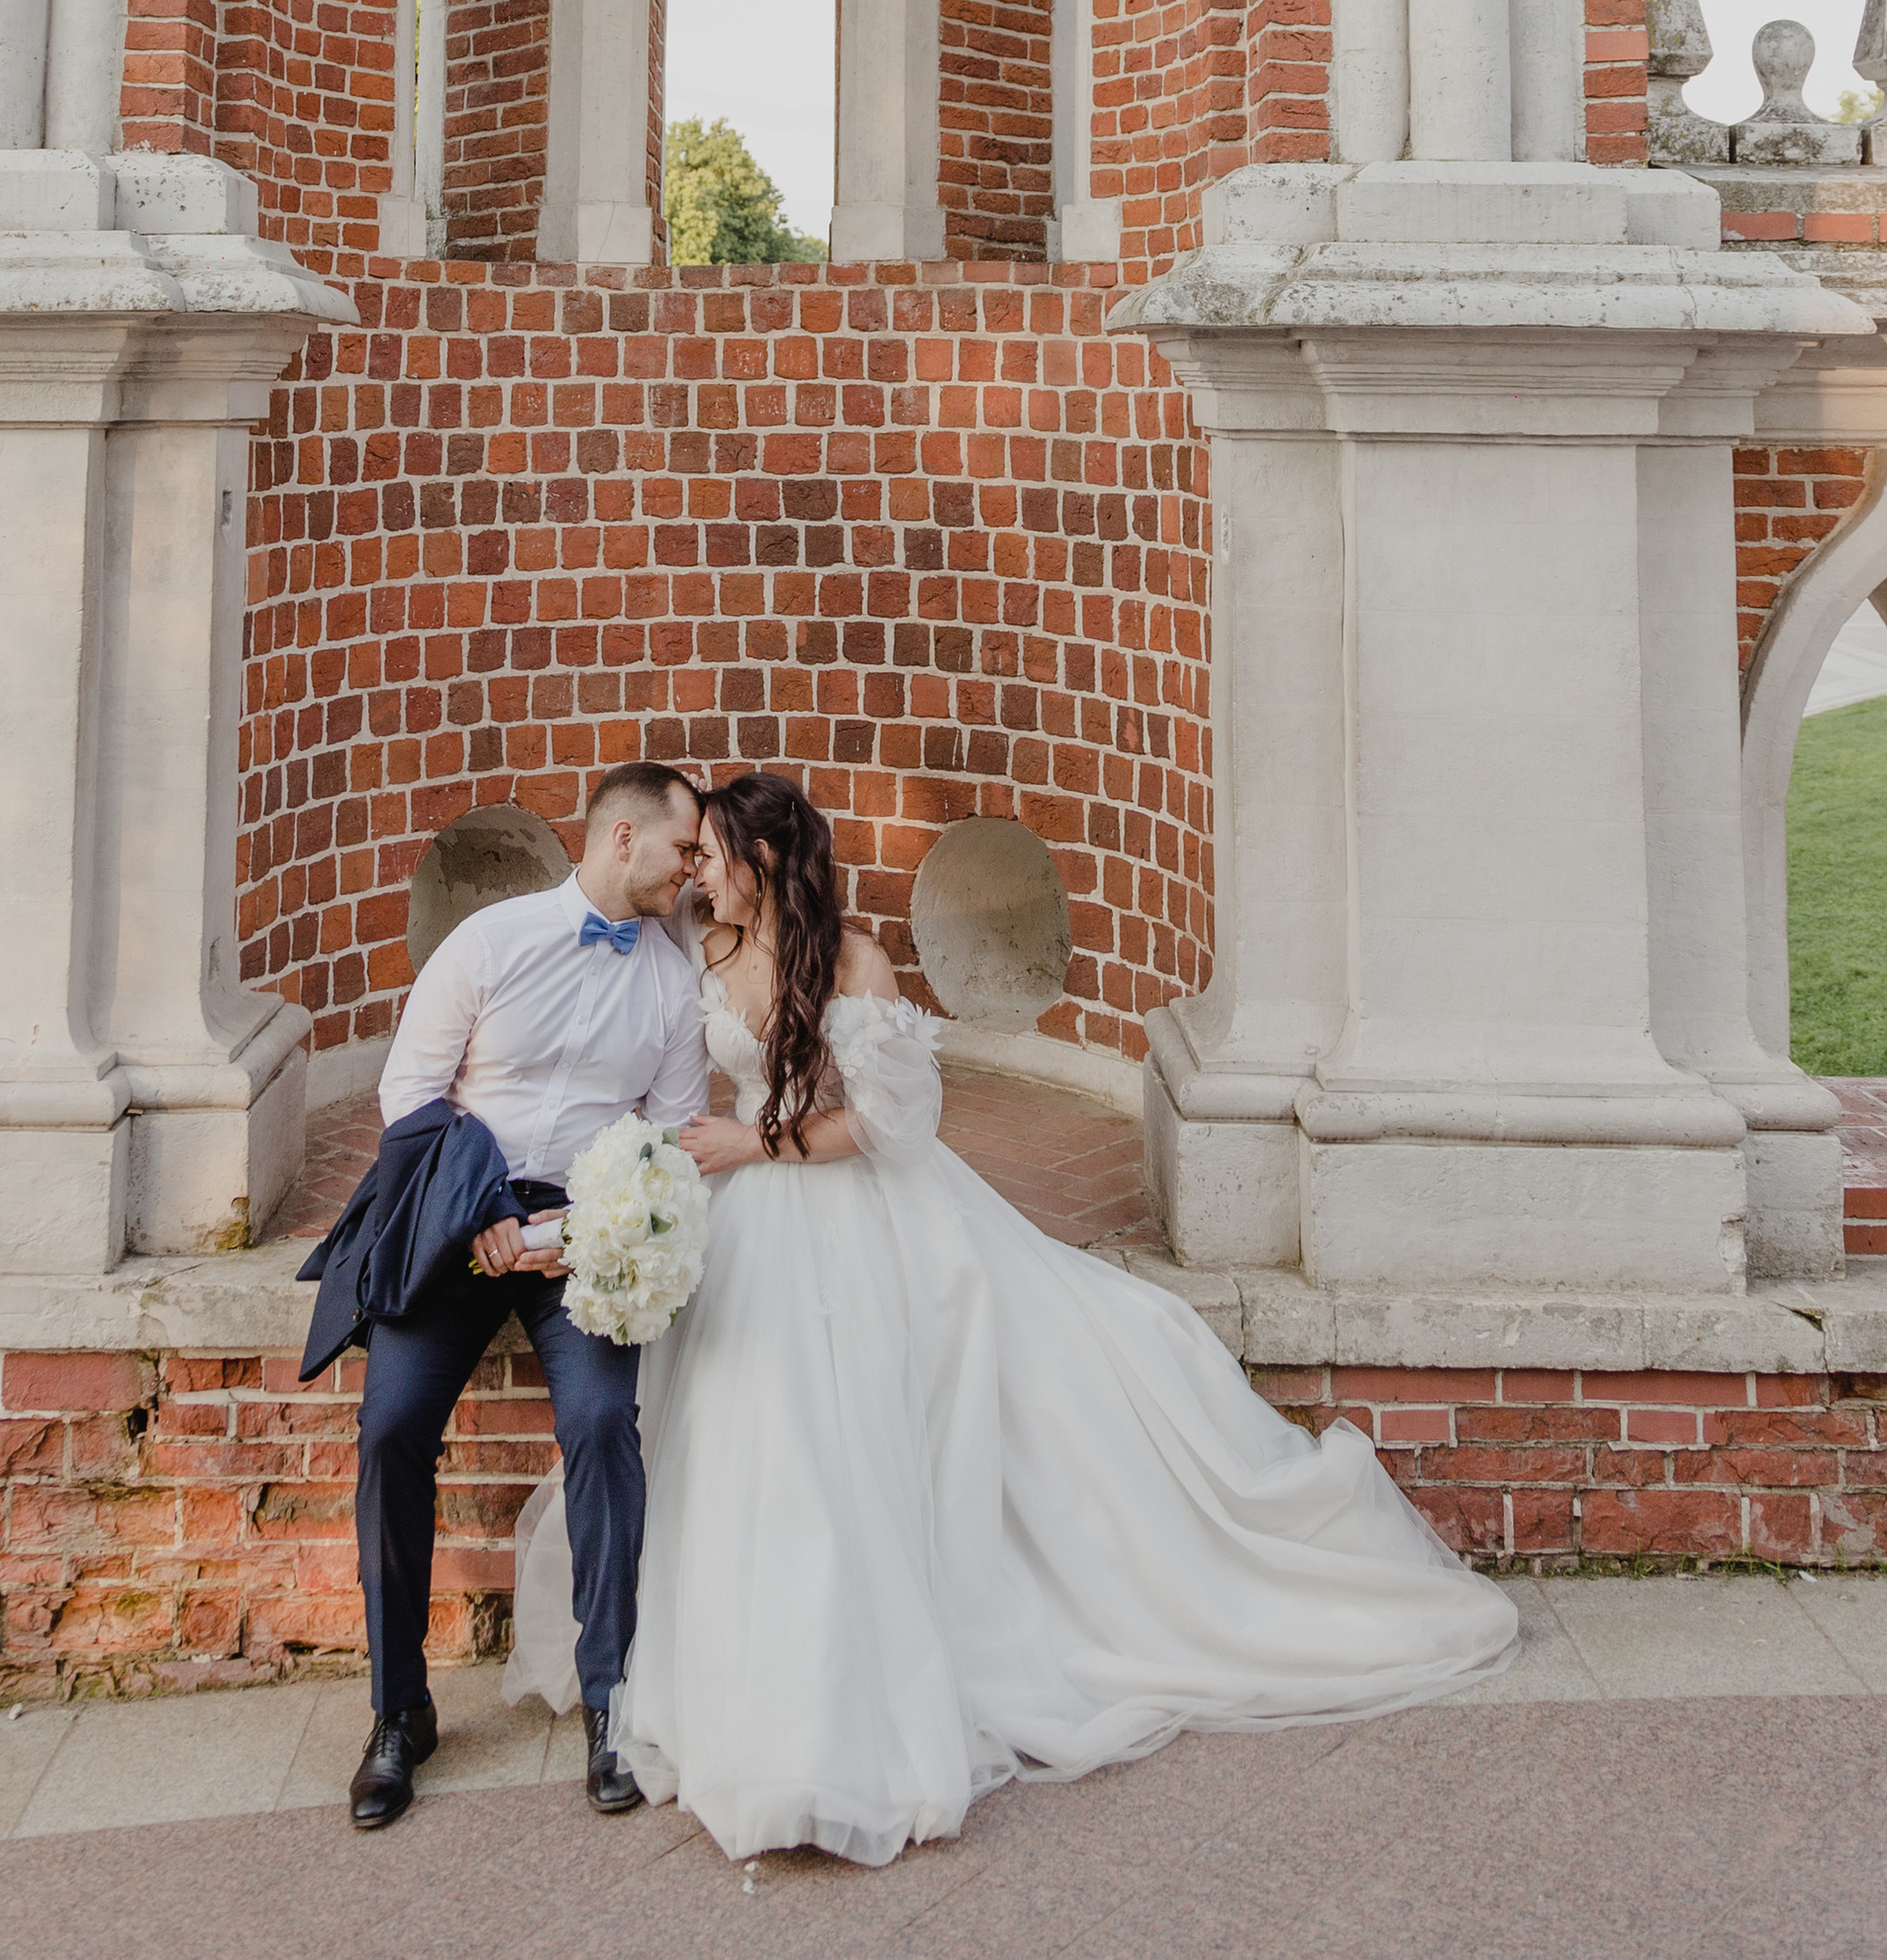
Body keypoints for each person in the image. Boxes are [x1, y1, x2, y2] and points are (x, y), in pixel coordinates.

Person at [509, 771, 1518, 1866]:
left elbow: (894, 1124)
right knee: (743, 1424)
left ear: (764, 861)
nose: (693, 872)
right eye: (691, 855)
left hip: (852, 1206)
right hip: (750, 1219)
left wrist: (753, 1145)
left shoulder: (852, 964)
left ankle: (863, 1680)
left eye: (709, 854)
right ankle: (746, 1661)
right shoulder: (698, 948)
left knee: (859, 1420)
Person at [348, 760, 708, 1831]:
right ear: (623, 838)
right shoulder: (490, 944)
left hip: (581, 1240)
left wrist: (569, 1236)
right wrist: (483, 1213)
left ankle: (611, 1701)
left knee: (604, 1424)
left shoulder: (670, 982)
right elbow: (407, 1091)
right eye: (684, 850)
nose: (694, 871)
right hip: (458, 1217)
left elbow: (672, 1138)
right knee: (390, 1428)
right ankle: (398, 1712)